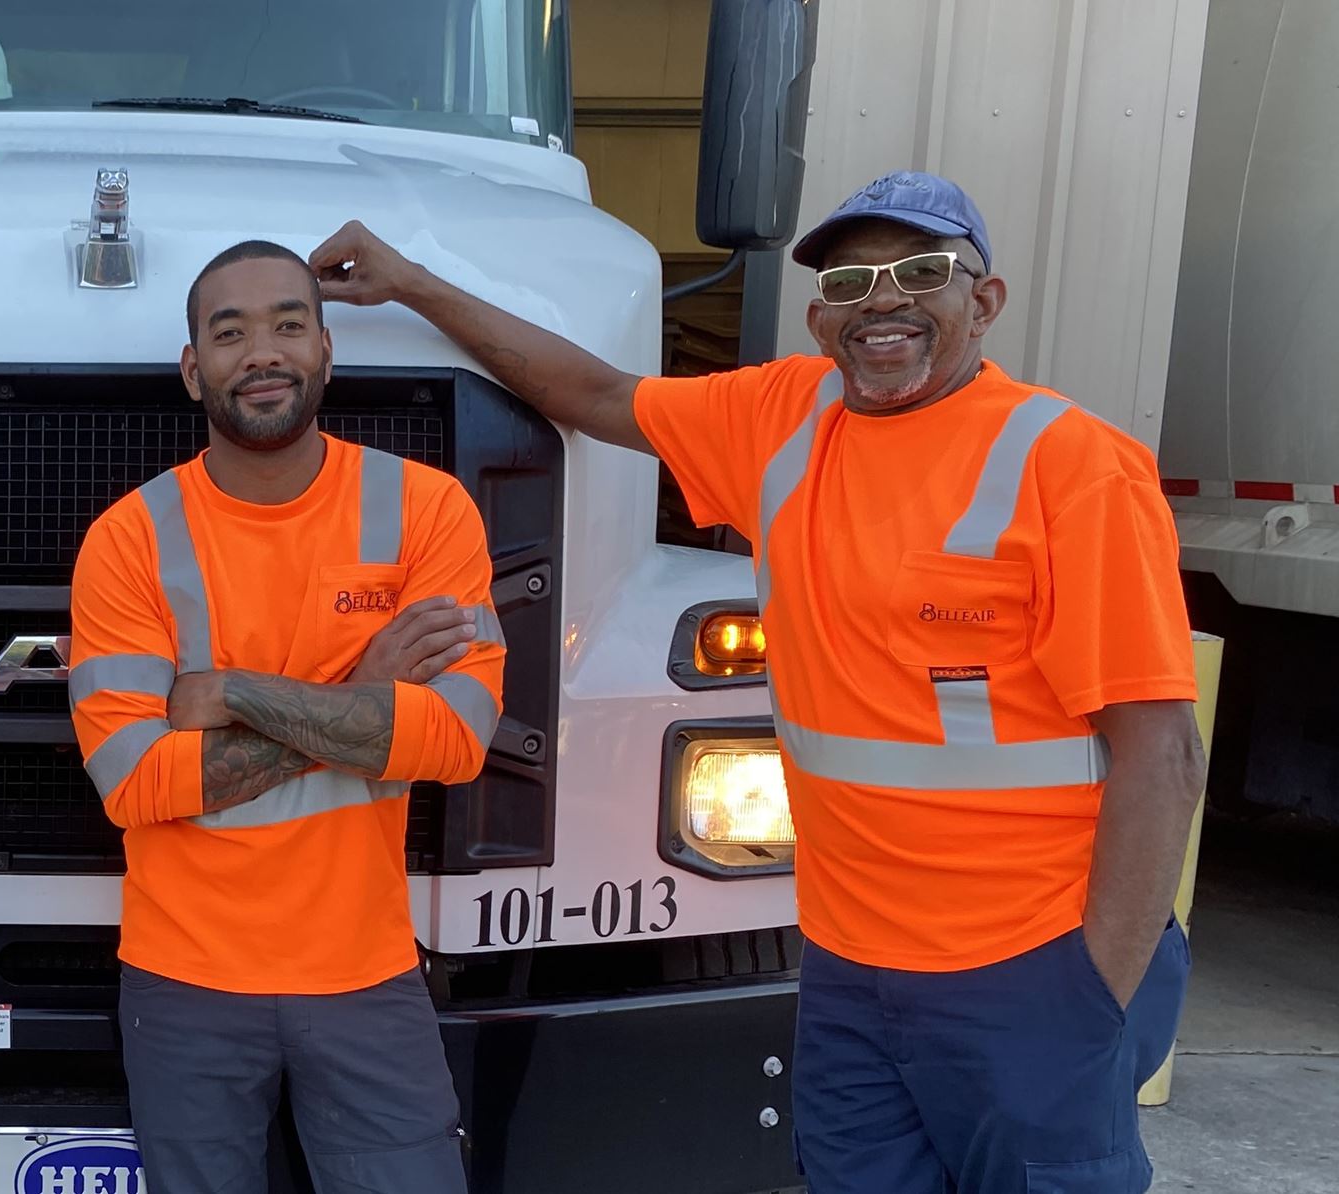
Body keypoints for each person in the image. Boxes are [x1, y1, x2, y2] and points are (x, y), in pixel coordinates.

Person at [309, 171, 1202, 1193]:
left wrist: (1092, 994)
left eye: (919, 272)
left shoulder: (1072, 467)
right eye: (850, 281)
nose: (881, 301)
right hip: (845, 971)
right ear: (819, 314)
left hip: (1024, 968)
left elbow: (1161, 757)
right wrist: (413, 284)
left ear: (981, 302)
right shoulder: (782, 417)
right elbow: (596, 395)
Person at [68, 240, 507, 1193]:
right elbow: (136, 785)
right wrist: (367, 694)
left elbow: (459, 740)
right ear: (194, 370)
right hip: (184, 985)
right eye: (230, 333)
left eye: (287, 325)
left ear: (326, 352)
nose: (261, 352)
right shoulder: (129, 539)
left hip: (365, 976)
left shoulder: (426, 511)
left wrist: (226, 691)